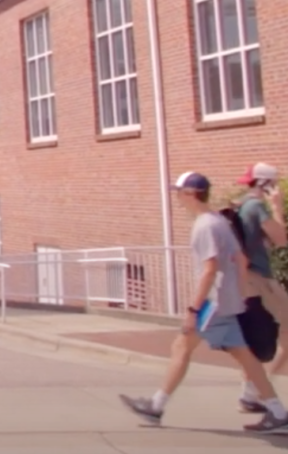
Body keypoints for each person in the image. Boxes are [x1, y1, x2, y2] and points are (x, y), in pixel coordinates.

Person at [119, 172, 288, 432]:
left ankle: (156, 406)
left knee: (182, 346)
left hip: (213, 302)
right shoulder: (219, 221)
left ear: (190, 194)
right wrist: (240, 295)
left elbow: (209, 269)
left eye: (179, 192)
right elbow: (241, 261)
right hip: (227, 300)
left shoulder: (205, 226)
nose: (176, 197)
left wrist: (193, 308)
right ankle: (277, 411)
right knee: (244, 355)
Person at [234, 162, 288, 412]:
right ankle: (256, 391)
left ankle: (251, 392)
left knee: (255, 337)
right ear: (267, 184)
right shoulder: (257, 207)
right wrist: (277, 207)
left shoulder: (244, 205)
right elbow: (281, 240)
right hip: (261, 278)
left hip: (247, 279)